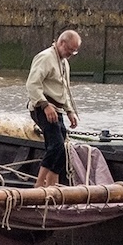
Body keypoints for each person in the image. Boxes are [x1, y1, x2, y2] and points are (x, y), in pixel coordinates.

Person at [26, 29, 81, 188]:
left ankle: (52, 183)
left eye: (74, 51)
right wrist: (45, 105)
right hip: (42, 106)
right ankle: (39, 183)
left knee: (61, 148)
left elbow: (64, 90)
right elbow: (32, 84)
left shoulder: (64, 62)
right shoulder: (45, 58)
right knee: (55, 145)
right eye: (69, 49)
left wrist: (70, 111)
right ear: (61, 43)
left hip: (57, 108)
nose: (70, 53)